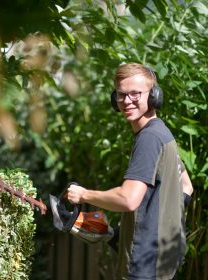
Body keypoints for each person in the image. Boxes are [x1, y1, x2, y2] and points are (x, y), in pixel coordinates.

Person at [67, 63, 193, 280]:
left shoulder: (149, 139)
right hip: (163, 259)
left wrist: (83, 194)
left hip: (144, 265)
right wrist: (131, 230)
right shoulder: (162, 133)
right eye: (121, 94)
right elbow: (186, 187)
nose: (127, 101)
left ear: (153, 96)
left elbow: (128, 199)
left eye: (135, 94)